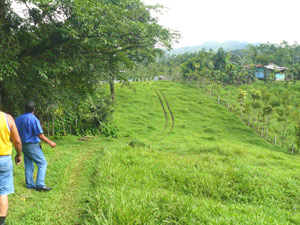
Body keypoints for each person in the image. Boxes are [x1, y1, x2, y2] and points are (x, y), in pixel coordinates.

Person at [15, 101, 56, 191]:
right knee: (42, 163)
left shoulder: (17, 119)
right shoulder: (33, 119)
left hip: (22, 145)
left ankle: (30, 184)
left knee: (28, 163)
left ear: (25, 109)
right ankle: (40, 185)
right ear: (34, 109)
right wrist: (50, 142)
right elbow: (40, 134)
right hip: (32, 145)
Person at [0, 110, 22, 225]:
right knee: (2, 191)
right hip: (3, 160)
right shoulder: (7, 118)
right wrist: (19, 154)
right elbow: (17, 141)